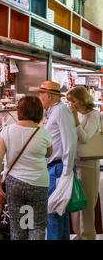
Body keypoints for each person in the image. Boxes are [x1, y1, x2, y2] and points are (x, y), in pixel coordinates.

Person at [0, 96, 53, 240]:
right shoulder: (44, 133)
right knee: (37, 225)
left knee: (17, 226)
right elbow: (49, 153)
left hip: (14, 184)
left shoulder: (7, 131)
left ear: (19, 111)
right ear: (39, 113)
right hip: (39, 183)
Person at [35, 80, 77, 240]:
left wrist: (66, 172)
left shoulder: (60, 111)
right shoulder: (53, 111)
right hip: (55, 168)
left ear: (49, 95)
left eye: (41, 93)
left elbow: (70, 141)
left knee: (52, 212)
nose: (39, 97)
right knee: (59, 213)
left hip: (59, 168)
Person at [67, 86, 102, 240]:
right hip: (75, 163)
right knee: (76, 201)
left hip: (88, 164)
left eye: (73, 101)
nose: (71, 105)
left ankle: (87, 235)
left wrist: (74, 120)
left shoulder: (93, 115)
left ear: (82, 100)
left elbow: (85, 138)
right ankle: (78, 234)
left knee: (87, 203)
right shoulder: (79, 115)